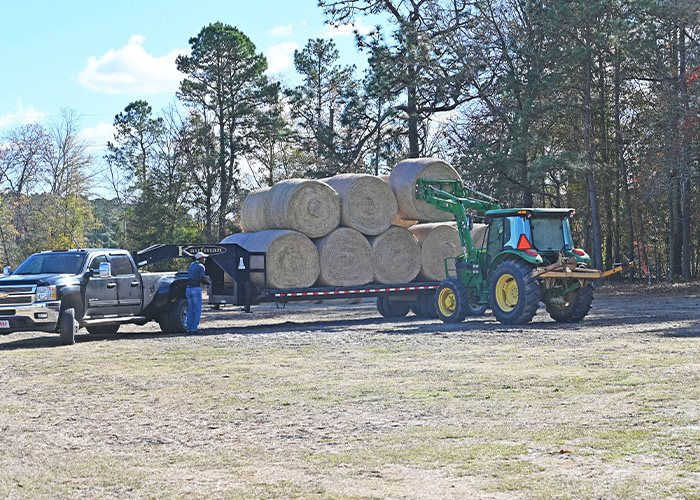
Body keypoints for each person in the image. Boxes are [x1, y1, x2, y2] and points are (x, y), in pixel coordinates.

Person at [185, 251, 210, 334]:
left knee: (190, 309)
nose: (205, 259)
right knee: (197, 309)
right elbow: (202, 280)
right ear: (201, 259)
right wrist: (209, 283)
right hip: (196, 289)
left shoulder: (191, 265)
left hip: (188, 289)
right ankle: (194, 329)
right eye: (204, 258)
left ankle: (188, 329)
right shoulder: (201, 266)